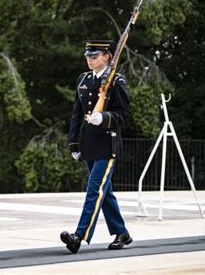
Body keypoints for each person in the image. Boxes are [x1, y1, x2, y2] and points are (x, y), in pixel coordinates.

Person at [60, 40, 132, 254]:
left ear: (107, 57)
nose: (90, 59)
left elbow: (123, 115)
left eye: (95, 56)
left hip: (107, 146)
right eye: (88, 56)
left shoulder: (116, 81)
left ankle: (79, 236)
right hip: (89, 144)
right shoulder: (83, 79)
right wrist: (73, 143)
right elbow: (76, 114)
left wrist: (104, 118)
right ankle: (122, 233)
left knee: (94, 190)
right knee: (104, 192)